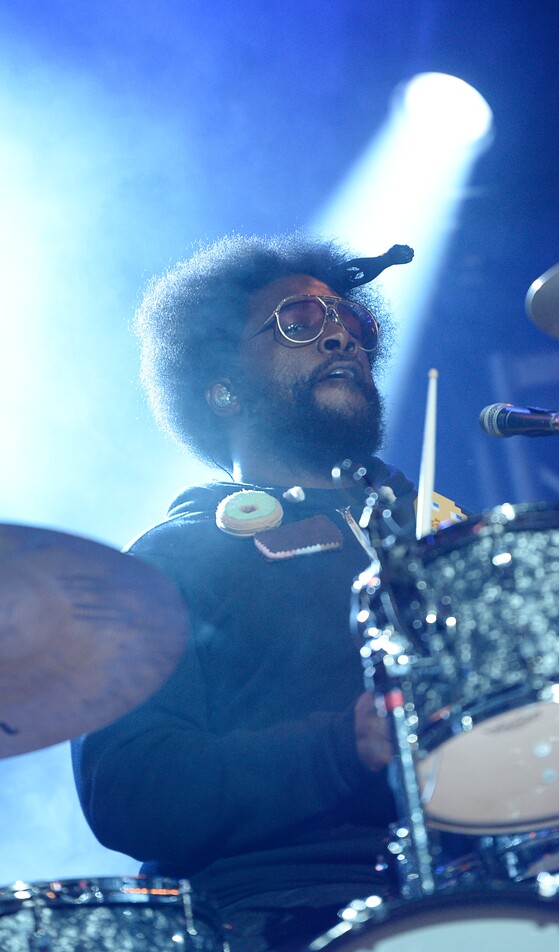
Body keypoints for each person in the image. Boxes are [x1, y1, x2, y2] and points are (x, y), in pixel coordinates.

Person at [71, 233, 417, 951]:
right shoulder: (168, 560)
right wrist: (342, 747)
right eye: (300, 321)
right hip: (283, 913)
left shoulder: (438, 533)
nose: (339, 339)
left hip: (488, 883)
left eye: (354, 325)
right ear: (223, 387)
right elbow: (127, 788)